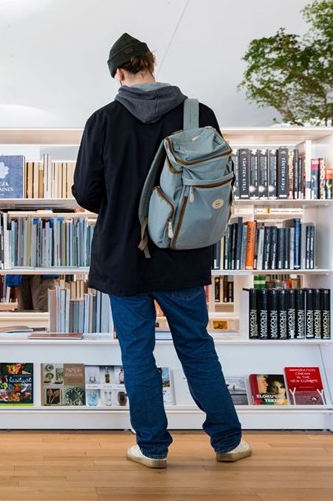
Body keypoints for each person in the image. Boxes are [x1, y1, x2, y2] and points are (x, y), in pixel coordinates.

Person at [72, 32, 249, 469]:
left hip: (123, 256)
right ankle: (227, 442)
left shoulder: (104, 119)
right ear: (150, 63)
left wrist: (124, 209)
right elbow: (218, 185)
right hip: (184, 255)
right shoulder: (198, 113)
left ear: (119, 72)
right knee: (196, 345)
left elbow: (85, 192)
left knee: (137, 353)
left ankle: (152, 449)